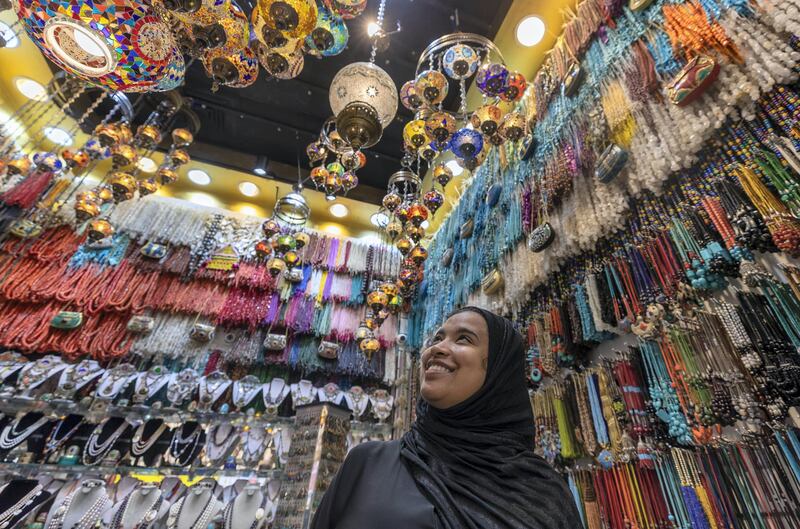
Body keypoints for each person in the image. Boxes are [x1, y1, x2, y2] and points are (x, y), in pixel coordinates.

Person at [310, 306, 582, 529]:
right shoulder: (368, 463)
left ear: (498, 373)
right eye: (437, 339)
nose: (436, 349)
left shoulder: (540, 494)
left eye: (464, 339)